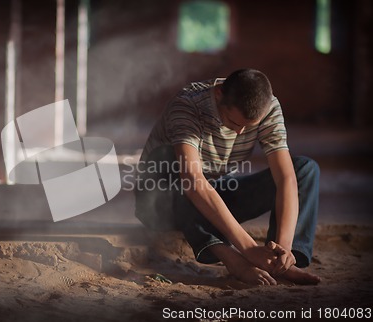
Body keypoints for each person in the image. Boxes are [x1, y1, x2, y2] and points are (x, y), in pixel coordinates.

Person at [134, 69, 321, 285]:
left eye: (248, 127)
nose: (240, 132)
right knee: (169, 162)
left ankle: (282, 264)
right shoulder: (188, 105)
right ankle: (233, 260)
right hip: (162, 200)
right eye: (234, 123)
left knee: (304, 170)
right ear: (219, 94)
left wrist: (283, 248)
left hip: (216, 191)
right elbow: (194, 183)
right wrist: (248, 249)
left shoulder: (268, 106)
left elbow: (285, 178)